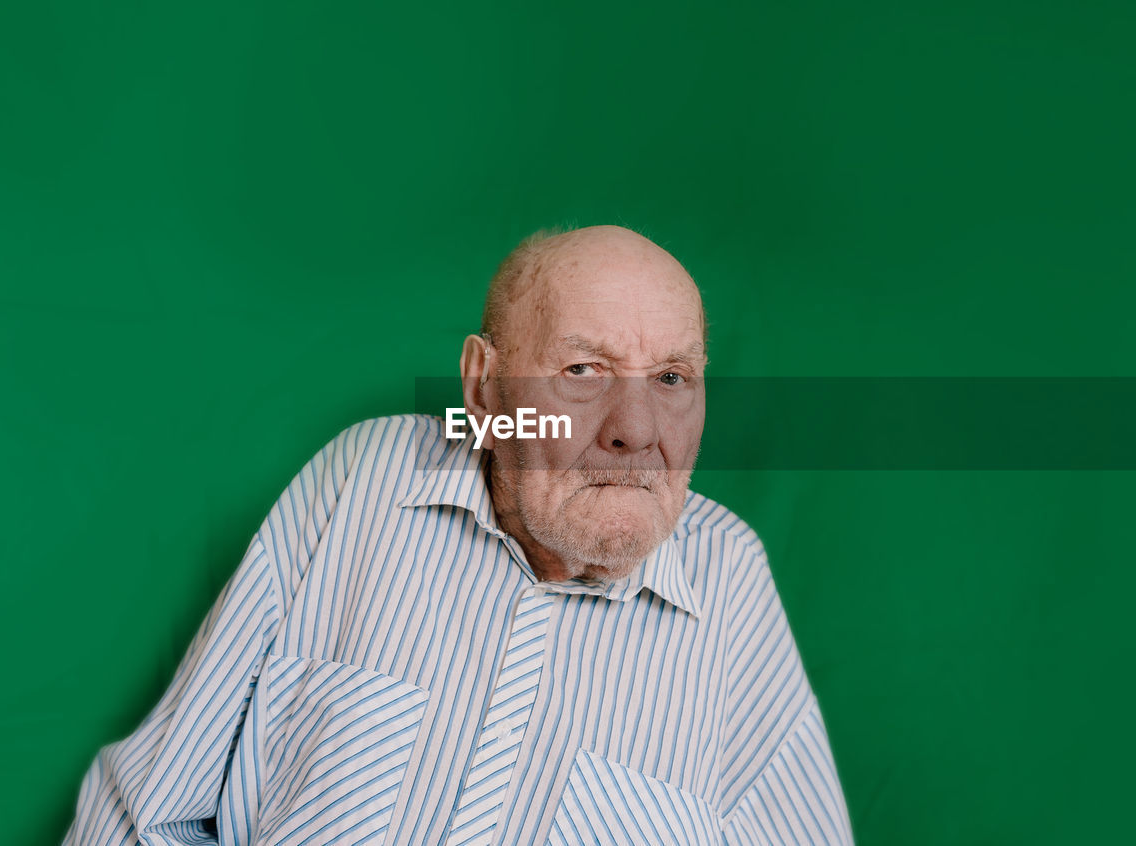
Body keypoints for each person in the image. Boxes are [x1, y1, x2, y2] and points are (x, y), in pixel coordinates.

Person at [65, 225, 854, 845]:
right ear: (483, 387)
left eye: (673, 379)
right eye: (583, 372)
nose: (636, 431)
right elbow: (144, 816)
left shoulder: (731, 578)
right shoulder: (368, 479)